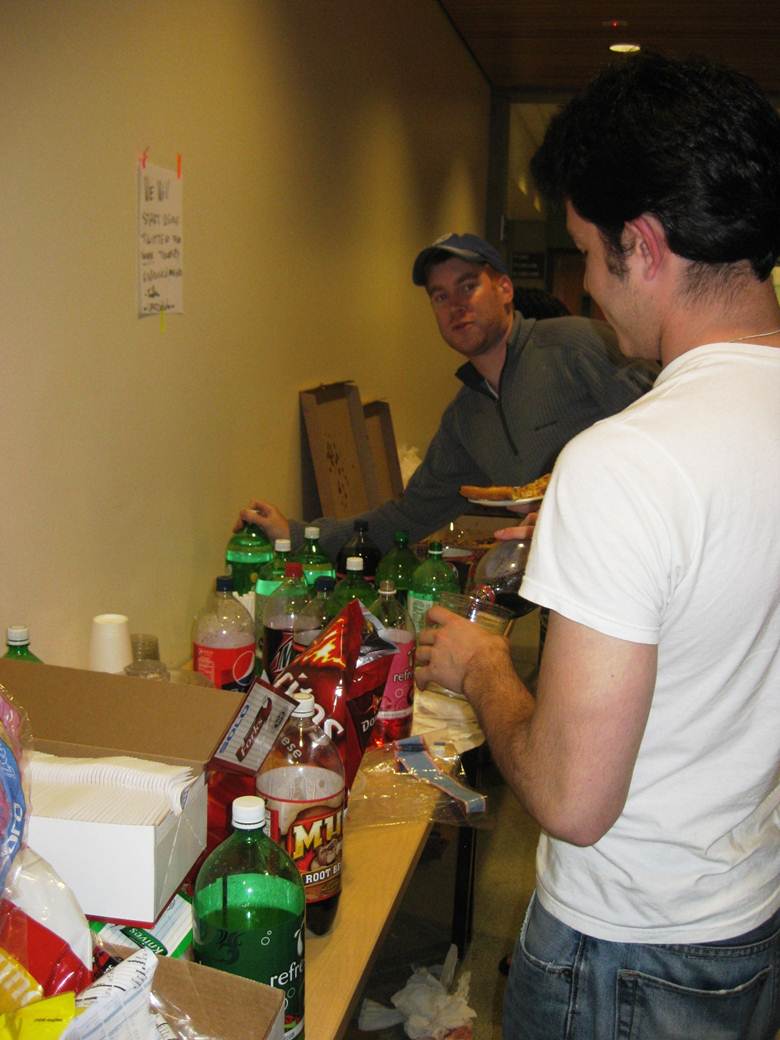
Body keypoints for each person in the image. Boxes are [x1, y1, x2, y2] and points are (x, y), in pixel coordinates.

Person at [416, 53, 780, 1039]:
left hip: (626, 952)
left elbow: (573, 799)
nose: (582, 283)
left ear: (643, 245)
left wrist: (484, 666)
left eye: (585, 250)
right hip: (749, 915)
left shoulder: (625, 463)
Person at [236, 234, 655, 558]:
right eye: (440, 296)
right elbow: (407, 517)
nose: (455, 305)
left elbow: (667, 427)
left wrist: (585, 508)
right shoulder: (465, 417)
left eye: (468, 286)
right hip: (564, 582)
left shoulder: (576, 345)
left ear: (505, 289)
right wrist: (297, 534)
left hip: (641, 560)